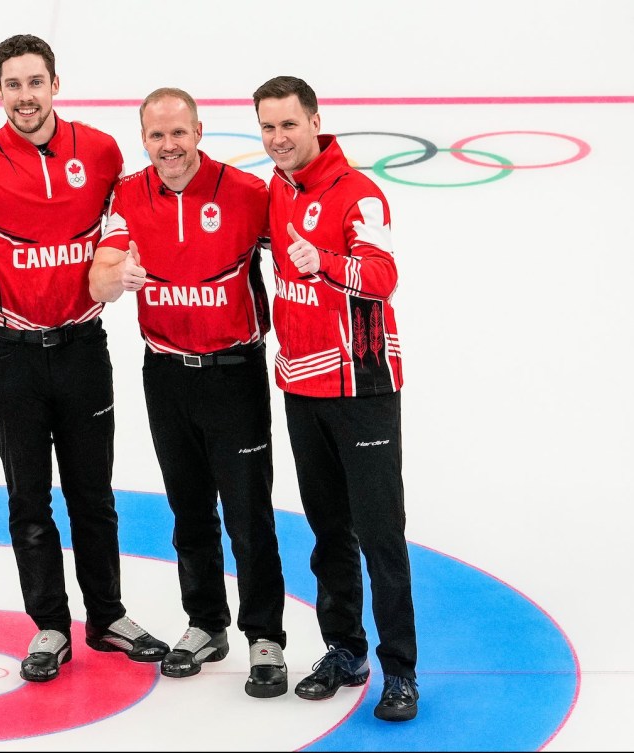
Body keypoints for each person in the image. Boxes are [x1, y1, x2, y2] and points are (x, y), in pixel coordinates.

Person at [0, 33, 168, 682]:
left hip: (83, 346)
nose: (24, 96)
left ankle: (108, 616)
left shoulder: (101, 149)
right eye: (12, 84)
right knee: (28, 498)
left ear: (54, 85)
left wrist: (121, 273)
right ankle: (50, 626)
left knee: (94, 493)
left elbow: (119, 234)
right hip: (10, 354)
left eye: (35, 82)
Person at [88, 88, 287, 698]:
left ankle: (265, 637)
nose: (169, 147)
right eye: (156, 137)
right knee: (189, 508)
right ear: (143, 140)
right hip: (166, 372)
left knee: (249, 514)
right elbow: (98, 277)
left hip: (234, 373)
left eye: (179, 134)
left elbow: (301, 264)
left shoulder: (250, 195)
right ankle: (205, 624)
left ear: (199, 131)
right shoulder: (127, 194)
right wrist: (117, 278)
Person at [252, 75, 419, 721]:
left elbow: (382, 277)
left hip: (361, 388)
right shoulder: (275, 186)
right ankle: (344, 650)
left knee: (379, 535)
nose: (277, 139)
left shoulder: (359, 193)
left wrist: (321, 260)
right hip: (301, 386)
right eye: (266, 126)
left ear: (315, 120)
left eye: (287, 124)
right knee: (327, 535)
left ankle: (399, 670)